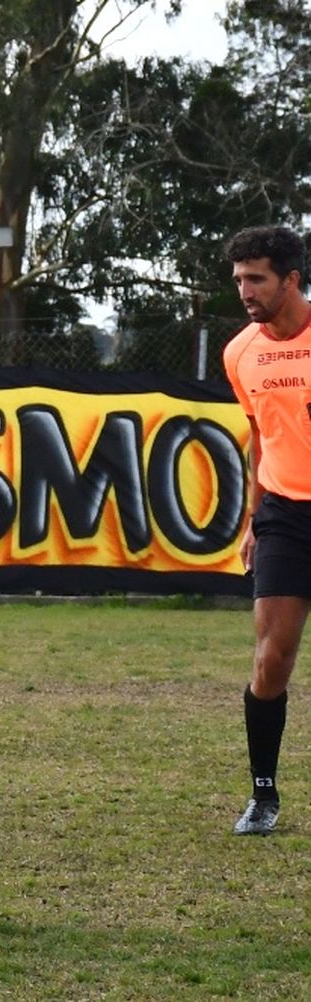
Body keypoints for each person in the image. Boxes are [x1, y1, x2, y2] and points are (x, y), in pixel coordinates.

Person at [223, 225, 311, 836]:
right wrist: (256, 517)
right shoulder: (239, 352)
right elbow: (261, 436)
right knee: (270, 661)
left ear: (292, 280)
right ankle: (264, 795)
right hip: (283, 514)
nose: (245, 292)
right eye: (239, 281)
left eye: (257, 279)